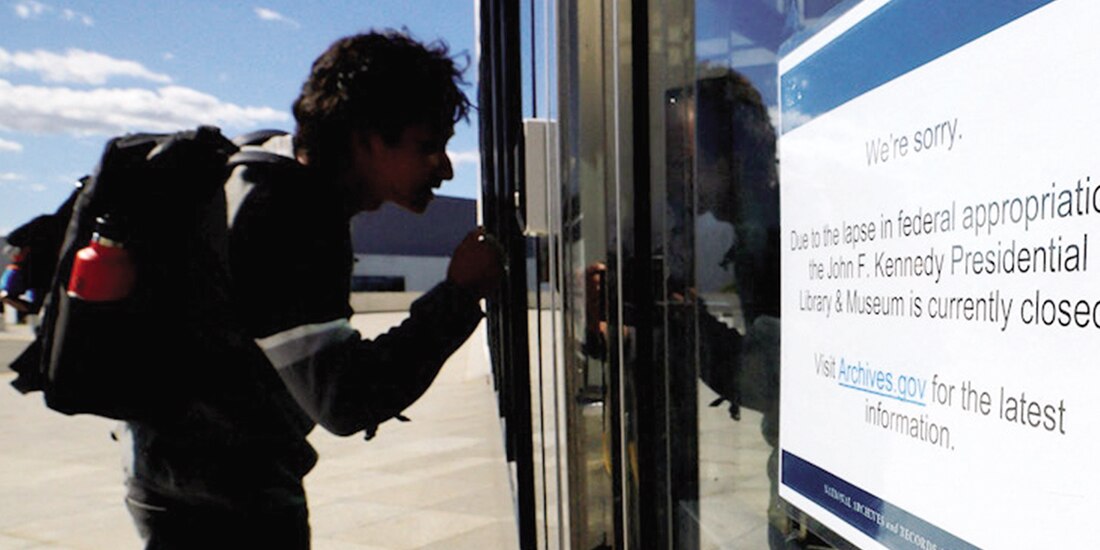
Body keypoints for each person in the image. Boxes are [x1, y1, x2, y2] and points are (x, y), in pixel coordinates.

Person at [119, 30, 504, 548]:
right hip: (226, 502)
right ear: (366, 137)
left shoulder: (262, 163)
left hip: (174, 475)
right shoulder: (288, 214)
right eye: (428, 146)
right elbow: (344, 400)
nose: (445, 168)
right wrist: (458, 295)